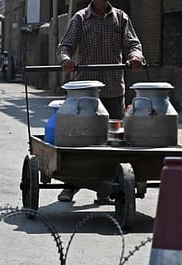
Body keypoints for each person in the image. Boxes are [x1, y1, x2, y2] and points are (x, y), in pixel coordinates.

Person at [55, 0, 144, 203]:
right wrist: (66, 60)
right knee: (81, 140)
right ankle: (71, 184)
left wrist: (135, 56)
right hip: (86, 93)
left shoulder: (120, 18)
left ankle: (106, 189)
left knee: (113, 142)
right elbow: (65, 46)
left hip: (113, 90)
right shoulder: (80, 19)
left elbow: (133, 44)